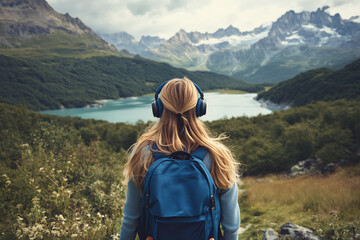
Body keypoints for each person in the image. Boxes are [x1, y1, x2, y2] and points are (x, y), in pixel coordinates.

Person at [119, 77, 240, 240]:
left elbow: (131, 219)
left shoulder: (142, 153)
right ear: (199, 108)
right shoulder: (217, 154)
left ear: (158, 108)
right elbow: (231, 226)